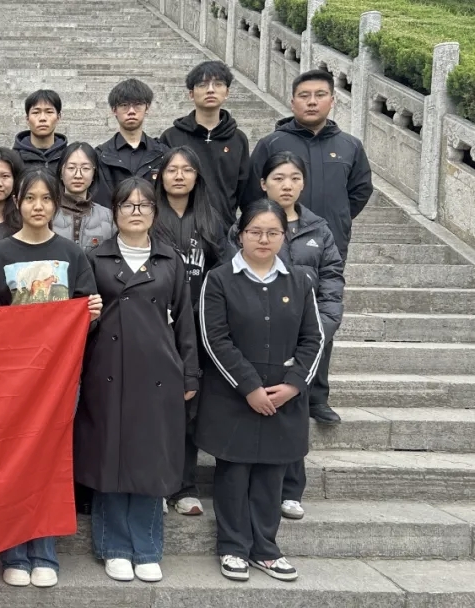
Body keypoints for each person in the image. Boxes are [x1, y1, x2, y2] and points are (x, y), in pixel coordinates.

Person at [76, 178, 199, 584]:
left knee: (150, 457)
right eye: (127, 205)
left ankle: (146, 547)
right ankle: (113, 546)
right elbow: (81, 320)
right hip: (107, 369)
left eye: (144, 204)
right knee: (110, 455)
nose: (135, 211)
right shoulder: (96, 258)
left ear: (154, 212)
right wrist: (89, 314)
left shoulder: (169, 259)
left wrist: (190, 371)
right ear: (114, 212)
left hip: (157, 372)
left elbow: (185, 320)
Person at [0, 170, 103, 589]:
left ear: (56, 204)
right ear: (17, 202)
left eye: (46, 198)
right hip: (12, 379)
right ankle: (14, 550)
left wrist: (90, 315)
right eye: (31, 198)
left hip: (59, 378)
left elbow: (83, 318)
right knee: (13, 459)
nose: (38, 206)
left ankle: (44, 551)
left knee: (51, 458)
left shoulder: (72, 254)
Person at [197, 199, 324, 583]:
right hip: (234, 397)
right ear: (240, 235)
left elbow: (314, 338)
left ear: (284, 236)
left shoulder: (299, 281)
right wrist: (250, 387)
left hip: (284, 398)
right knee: (234, 474)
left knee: (271, 475)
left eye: (272, 232)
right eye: (255, 231)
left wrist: (293, 385)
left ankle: (266, 550)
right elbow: (214, 338)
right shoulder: (219, 280)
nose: (263, 239)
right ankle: (233, 547)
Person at [243, 69, 371, 423]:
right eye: (304, 95)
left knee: (321, 317)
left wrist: (336, 221)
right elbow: (251, 193)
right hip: (273, 245)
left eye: (319, 95)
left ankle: (316, 396)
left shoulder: (349, 146)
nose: (312, 102)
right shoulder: (272, 143)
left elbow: (360, 190)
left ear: (332, 100)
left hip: (324, 244)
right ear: (292, 101)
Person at [239, 152, 344, 521]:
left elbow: (332, 280)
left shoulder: (319, 229)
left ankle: (291, 489)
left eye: (295, 178)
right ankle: (255, 484)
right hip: (259, 335)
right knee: (260, 405)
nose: (287, 185)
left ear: (303, 183)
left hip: (306, 336)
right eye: (279, 178)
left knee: (294, 409)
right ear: (263, 183)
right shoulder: (250, 224)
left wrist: (322, 327)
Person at [152, 146, 228, 517]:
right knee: (154, 407)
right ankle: (156, 484)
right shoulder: (149, 216)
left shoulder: (210, 218)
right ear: (160, 176)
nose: (179, 176)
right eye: (172, 169)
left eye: (187, 169)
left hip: (197, 327)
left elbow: (224, 272)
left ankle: (184, 485)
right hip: (155, 325)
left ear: (198, 176)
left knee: (189, 406)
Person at [160, 61, 250, 226]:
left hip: (224, 228)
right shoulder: (171, 137)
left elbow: (243, 190)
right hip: (179, 227)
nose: (210, 90)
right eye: (202, 85)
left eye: (218, 84)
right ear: (191, 94)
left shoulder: (238, 139)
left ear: (227, 92)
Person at [94, 79, 169, 208]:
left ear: (147, 108)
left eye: (138, 104)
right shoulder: (101, 156)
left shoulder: (163, 153)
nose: (131, 111)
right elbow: (102, 201)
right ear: (114, 110)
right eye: (124, 105)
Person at [53, 142, 113, 252]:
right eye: (71, 168)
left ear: (94, 173)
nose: (78, 175)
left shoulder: (109, 217)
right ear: (61, 172)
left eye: (85, 168)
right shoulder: (48, 213)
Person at [13, 89, 67, 176]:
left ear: (58, 117)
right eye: (36, 112)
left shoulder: (69, 157)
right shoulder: (13, 158)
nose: (42, 118)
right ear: (27, 119)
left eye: (49, 112)